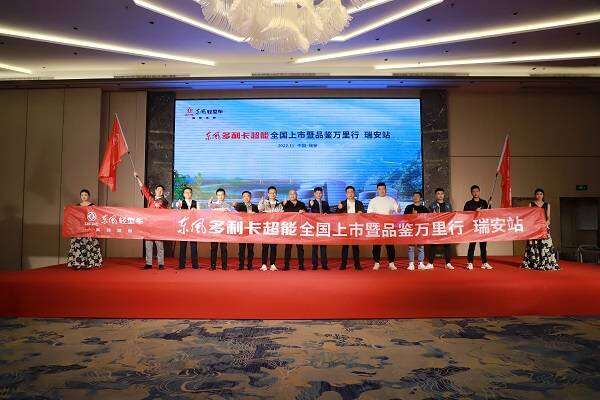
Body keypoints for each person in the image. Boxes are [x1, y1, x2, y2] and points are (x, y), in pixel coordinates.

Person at [134, 172, 169, 270]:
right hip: (149, 225)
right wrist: (137, 177)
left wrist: (159, 206)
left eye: (161, 190)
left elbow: (164, 209)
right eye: (158, 190)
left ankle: (161, 264)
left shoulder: (165, 201)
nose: (160, 191)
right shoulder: (151, 198)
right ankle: (148, 263)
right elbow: (143, 188)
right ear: (155, 191)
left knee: (159, 245)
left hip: (158, 226)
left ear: (163, 192)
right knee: (148, 245)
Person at [522, 188, 560, 271]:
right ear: (535, 195)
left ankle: (545, 262)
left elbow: (548, 217)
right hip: (534, 228)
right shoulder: (531, 204)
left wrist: (547, 222)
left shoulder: (547, 205)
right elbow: (529, 216)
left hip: (543, 227)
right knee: (533, 245)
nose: (539, 195)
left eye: (541, 194)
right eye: (537, 194)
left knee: (545, 245)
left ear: (543, 195)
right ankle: (534, 262)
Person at [67, 189, 103, 270]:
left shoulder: (92, 206)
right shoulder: (77, 206)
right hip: (79, 229)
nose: (84, 196)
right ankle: (78, 263)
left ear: (88, 196)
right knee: (78, 245)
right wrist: (67, 210)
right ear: (80, 196)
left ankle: (89, 263)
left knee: (89, 245)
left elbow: (96, 216)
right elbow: (73, 217)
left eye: (85, 195)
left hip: (89, 229)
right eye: (82, 195)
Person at [367, 182, 398, 270]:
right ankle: (376, 263)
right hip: (377, 226)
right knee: (376, 245)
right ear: (377, 190)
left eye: (383, 189)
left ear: (386, 190)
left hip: (388, 226)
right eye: (380, 189)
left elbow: (397, 210)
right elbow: (369, 213)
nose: (382, 191)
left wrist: (398, 208)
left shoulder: (391, 200)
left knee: (390, 245)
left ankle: (391, 263)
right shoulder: (373, 200)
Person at [463, 185, 492, 270]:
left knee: (483, 246)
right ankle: (470, 262)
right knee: (472, 246)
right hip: (473, 227)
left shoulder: (484, 202)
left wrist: (489, 205)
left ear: (479, 192)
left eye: (477, 191)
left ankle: (484, 262)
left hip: (482, 225)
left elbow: (488, 213)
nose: (475, 193)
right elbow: (465, 214)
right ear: (471, 193)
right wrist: (475, 212)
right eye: (473, 191)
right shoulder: (468, 203)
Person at [337, 185, 364, 270]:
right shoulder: (342, 203)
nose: (350, 193)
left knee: (355, 247)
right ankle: (343, 264)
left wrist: (361, 213)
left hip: (355, 227)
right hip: (345, 227)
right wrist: (339, 208)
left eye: (351, 192)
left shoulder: (359, 203)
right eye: (348, 192)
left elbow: (363, 213)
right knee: (345, 247)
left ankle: (357, 265)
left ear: (354, 193)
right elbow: (337, 215)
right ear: (346, 194)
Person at [426, 188, 454, 270]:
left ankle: (448, 263)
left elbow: (451, 215)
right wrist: (432, 214)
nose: (440, 195)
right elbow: (427, 216)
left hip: (446, 227)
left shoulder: (448, 205)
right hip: (436, 227)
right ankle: (430, 263)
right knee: (433, 245)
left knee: (447, 245)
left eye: (442, 193)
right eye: (438, 193)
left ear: (444, 195)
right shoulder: (432, 205)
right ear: (435, 195)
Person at [258, 186, 283, 271]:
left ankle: (272, 264)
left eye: (274, 193)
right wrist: (261, 202)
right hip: (265, 227)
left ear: (276, 194)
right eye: (271, 193)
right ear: (268, 194)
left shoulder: (279, 204)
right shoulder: (264, 202)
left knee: (273, 247)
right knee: (265, 247)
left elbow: (282, 214)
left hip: (275, 227)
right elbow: (260, 209)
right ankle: (264, 264)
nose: (272, 194)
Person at [403, 191, 429, 271]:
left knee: (421, 247)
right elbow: (404, 218)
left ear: (420, 198)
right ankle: (411, 263)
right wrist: (412, 215)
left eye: (417, 196)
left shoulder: (424, 208)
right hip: (411, 229)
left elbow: (428, 218)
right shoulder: (408, 207)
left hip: (420, 230)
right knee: (411, 247)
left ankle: (420, 263)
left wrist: (417, 216)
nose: (415, 197)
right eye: (414, 196)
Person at [208, 188, 233, 270]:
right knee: (213, 248)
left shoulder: (228, 205)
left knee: (224, 248)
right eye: (219, 195)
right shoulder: (213, 205)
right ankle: (213, 266)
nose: (220, 196)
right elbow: (209, 213)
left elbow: (230, 216)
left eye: (222, 195)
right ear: (216, 196)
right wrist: (210, 204)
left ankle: (224, 266)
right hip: (215, 228)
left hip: (224, 228)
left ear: (224, 195)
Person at [282, 189, 307, 270]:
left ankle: (301, 265)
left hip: (299, 228)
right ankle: (286, 265)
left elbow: (307, 214)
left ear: (297, 195)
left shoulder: (302, 204)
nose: (292, 195)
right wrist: (284, 205)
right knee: (288, 247)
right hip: (289, 228)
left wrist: (303, 211)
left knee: (300, 248)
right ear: (289, 196)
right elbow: (282, 213)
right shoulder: (285, 203)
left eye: (294, 194)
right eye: (291, 194)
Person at [234, 191, 259, 270]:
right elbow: (236, 211)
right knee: (241, 249)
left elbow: (259, 217)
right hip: (242, 229)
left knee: (250, 249)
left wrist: (255, 214)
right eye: (244, 196)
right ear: (242, 198)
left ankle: (250, 265)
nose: (246, 197)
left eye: (248, 196)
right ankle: (241, 265)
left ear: (250, 197)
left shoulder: (255, 207)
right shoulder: (239, 206)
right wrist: (234, 206)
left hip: (251, 229)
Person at [175, 187, 198, 270]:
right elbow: (177, 211)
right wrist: (179, 206)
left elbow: (200, 214)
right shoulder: (180, 202)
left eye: (189, 192)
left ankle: (195, 265)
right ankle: (181, 265)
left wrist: (196, 210)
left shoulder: (196, 202)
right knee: (182, 246)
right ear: (183, 194)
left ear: (191, 194)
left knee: (194, 246)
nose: (188, 194)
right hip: (183, 227)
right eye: (186, 192)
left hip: (192, 226)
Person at [309, 187, 331, 270]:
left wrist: (326, 213)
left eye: (320, 193)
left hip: (323, 226)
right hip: (314, 226)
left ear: (322, 194)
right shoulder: (311, 202)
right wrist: (311, 205)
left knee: (323, 246)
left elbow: (329, 212)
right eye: (317, 193)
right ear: (314, 194)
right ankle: (314, 265)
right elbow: (311, 210)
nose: (319, 194)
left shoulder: (325, 203)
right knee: (314, 246)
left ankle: (324, 264)